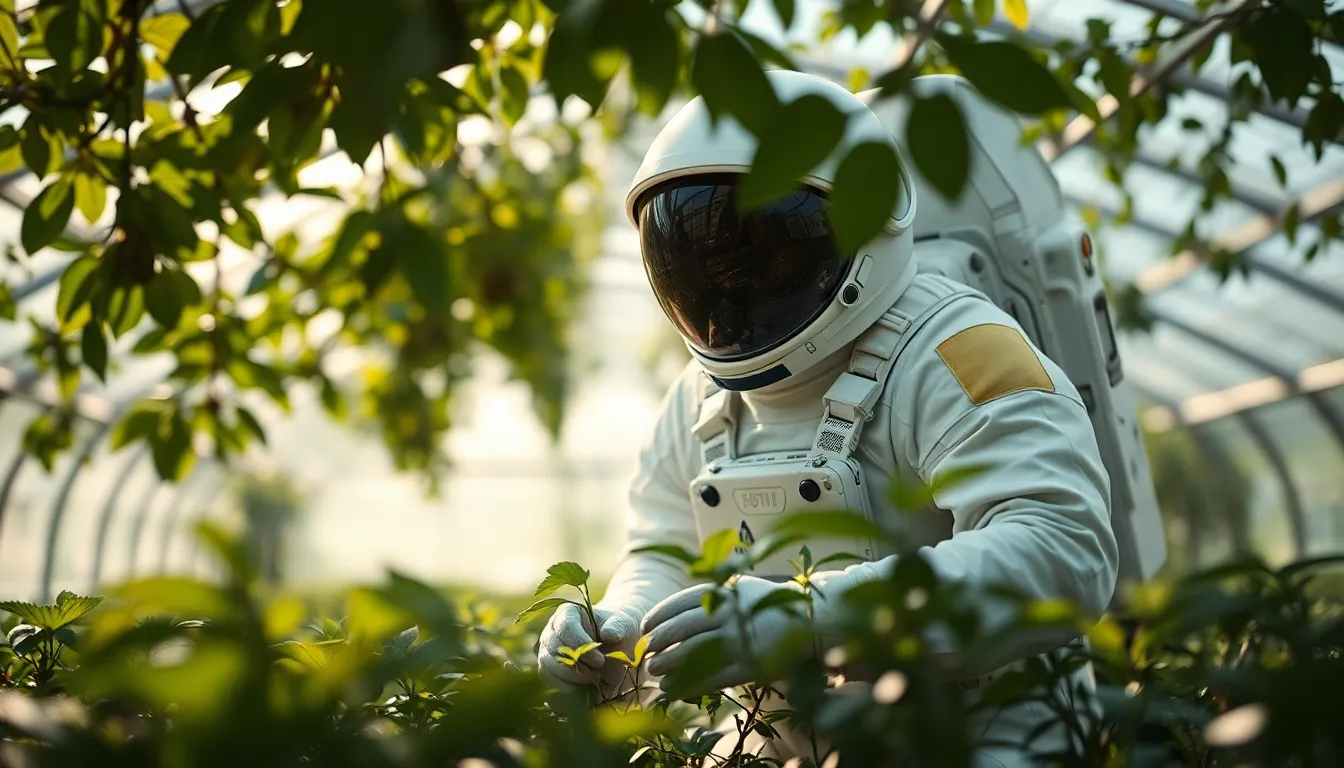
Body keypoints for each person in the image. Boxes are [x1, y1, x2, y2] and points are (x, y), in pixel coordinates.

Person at [537, 69, 1120, 766]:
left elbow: (1062, 547)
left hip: (988, 738)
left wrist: (814, 620)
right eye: (702, 263)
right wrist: (621, 624)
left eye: (764, 248)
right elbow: (664, 546)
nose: (730, 287)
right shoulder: (699, 397)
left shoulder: (957, 352)